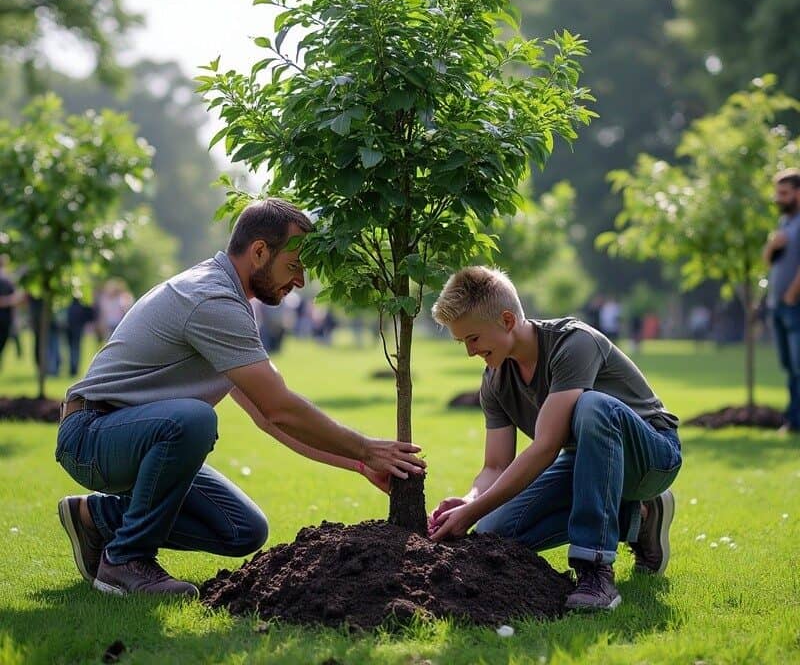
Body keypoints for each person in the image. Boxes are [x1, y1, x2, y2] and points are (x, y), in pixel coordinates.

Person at [56, 198, 425, 598]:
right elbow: (279, 406)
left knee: (243, 529)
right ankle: (125, 559)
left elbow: (268, 418)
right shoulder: (211, 299)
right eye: (294, 265)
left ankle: (95, 518)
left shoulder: (229, 303)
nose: (300, 281)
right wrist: (368, 448)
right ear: (260, 252)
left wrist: (357, 462)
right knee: (194, 421)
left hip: (133, 439)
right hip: (92, 435)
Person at [427, 266, 681, 612]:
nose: (470, 352)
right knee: (492, 531)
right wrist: (470, 501)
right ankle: (638, 519)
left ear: (506, 320)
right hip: (584, 464)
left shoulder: (573, 343)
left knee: (593, 406)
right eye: (462, 342)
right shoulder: (495, 380)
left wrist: (472, 511)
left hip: (651, 457)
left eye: (473, 338)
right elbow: (495, 465)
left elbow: (546, 447)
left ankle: (594, 570)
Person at [763, 168, 800, 434]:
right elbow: (767, 262)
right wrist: (772, 246)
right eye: (777, 193)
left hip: (794, 305)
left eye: (784, 193)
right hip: (778, 305)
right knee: (789, 365)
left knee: (798, 364)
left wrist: (792, 293)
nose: (779, 198)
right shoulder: (785, 223)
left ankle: (795, 420)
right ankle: (794, 417)